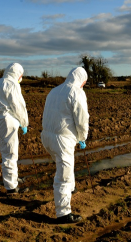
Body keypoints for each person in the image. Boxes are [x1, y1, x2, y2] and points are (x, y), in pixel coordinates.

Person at [41, 67, 89, 224]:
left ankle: (70, 189)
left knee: (64, 167)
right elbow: (81, 118)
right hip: (63, 139)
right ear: (82, 80)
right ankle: (63, 213)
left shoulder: (54, 91)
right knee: (64, 175)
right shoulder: (76, 92)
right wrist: (82, 137)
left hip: (47, 136)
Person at [0, 62, 29, 194]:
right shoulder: (12, 84)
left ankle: (13, 178)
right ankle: (11, 187)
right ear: (18, 74)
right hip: (7, 120)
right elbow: (18, 106)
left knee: (5, 150)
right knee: (10, 154)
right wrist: (24, 122)